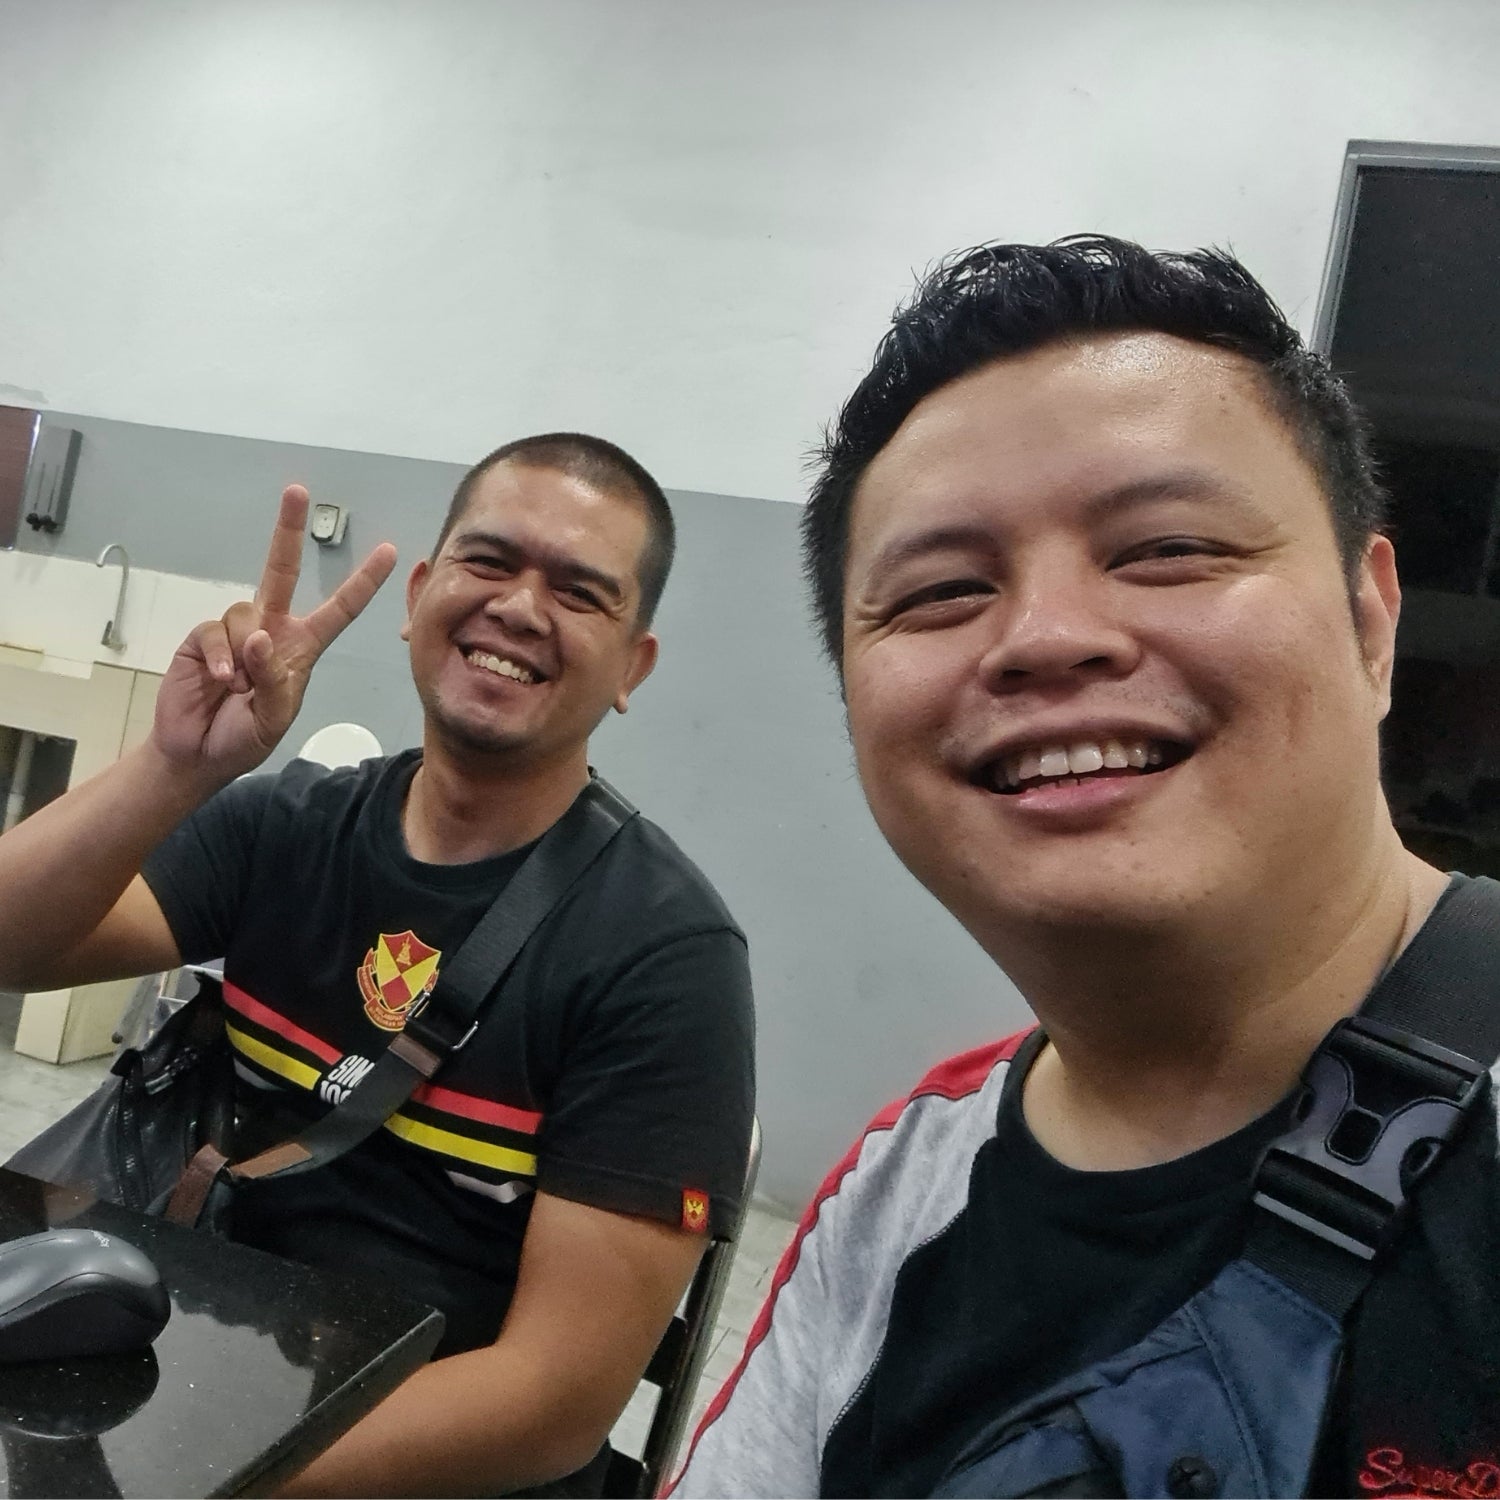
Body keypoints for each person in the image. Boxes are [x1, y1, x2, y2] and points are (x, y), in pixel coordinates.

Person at [672, 237, 1500, 1497]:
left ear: (1370, 619)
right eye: (942, 591)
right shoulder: (902, 1191)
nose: (1047, 637)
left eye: (1167, 547)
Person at [0, 432, 756, 1497]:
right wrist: (175, 766)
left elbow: (554, 1402)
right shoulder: (287, 827)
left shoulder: (665, 957)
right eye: (489, 561)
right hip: (202, 1374)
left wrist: (217, 1480)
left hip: (417, 1462)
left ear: (633, 665)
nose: (520, 607)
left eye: (580, 591)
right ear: (419, 596)